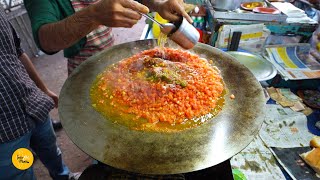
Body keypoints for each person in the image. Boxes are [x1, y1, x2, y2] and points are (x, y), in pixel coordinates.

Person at [0, 9, 77, 180]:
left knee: (51, 150)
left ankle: (64, 176)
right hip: (6, 131)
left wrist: (43, 89)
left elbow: (18, 52)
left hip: (34, 106)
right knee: (22, 170)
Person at [23, 0, 193, 75]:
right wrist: (93, 15)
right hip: (82, 67)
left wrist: (158, 5)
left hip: (112, 57)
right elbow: (45, 39)